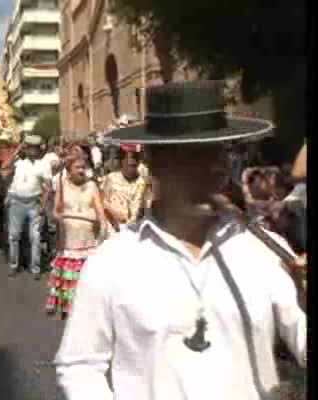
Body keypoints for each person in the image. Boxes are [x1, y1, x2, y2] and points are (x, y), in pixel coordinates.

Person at [54, 81, 306, 400]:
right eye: (194, 155)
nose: (217, 169)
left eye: (220, 153)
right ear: (154, 162)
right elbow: (80, 366)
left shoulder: (264, 250)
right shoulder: (112, 261)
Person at [45, 149, 106, 319]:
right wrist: (64, 216)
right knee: (70, 286)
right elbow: (55, 212)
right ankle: (70, 312)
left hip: (89, 244)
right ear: (69, 169)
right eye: (77, 167)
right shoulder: (62, 186)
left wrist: (102, 227)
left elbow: (100, 213)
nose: (81, 171)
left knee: (88, 284)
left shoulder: (92, 186)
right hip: (69, 244)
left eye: (83, 167)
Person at [1, 135, 51, 279]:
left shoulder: (43, 164)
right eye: (29, 148)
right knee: (13, 236)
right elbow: (4, 168)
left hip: (33, 203)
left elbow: (47, 187)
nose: (32, 151)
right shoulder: (18, 162)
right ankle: (13, 265)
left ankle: (35, 268)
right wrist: (17, 151)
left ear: (38, 149)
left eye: (34, 148)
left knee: (35, 237)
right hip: (16, 201)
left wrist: (43, 205)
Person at [101, 144, 150, 236]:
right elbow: (103, 203)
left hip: (136, 231)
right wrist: (114, 219)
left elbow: (146, 207)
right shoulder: (111, 179)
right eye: (129, 162)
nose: (132, 163)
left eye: (134, 163)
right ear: (122, 162)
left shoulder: (143, 183)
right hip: (114, 230)